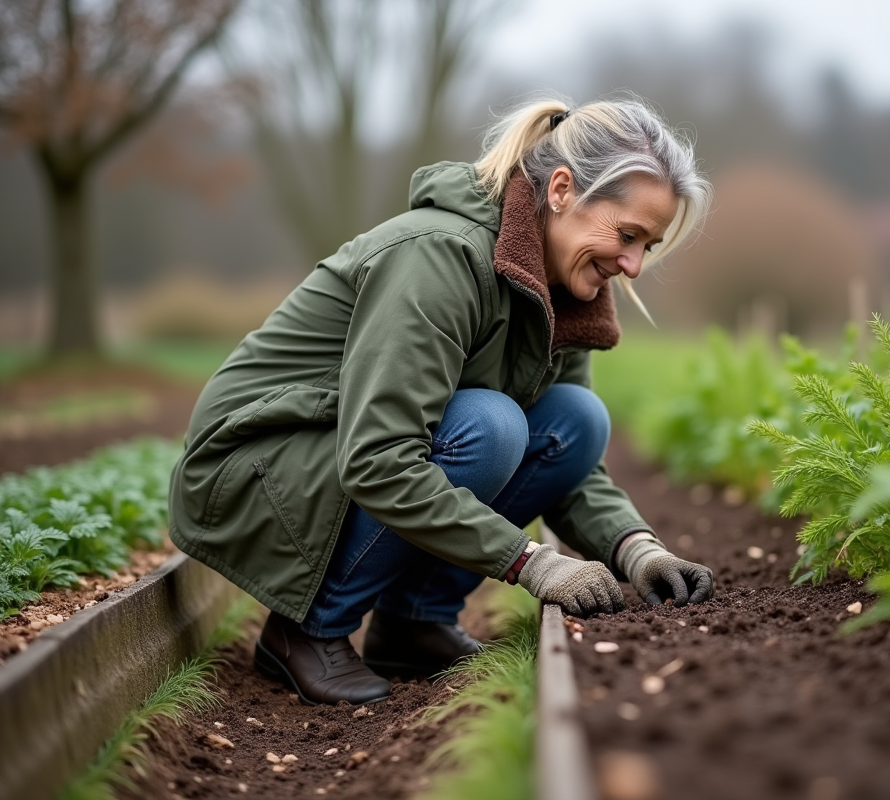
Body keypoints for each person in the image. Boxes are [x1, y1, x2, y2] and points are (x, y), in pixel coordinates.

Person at [167, 96, 715, 706]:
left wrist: (634, 548)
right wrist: (530, 561)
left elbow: (567, 459)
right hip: (259, 464)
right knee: (492, 427)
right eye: (629, 235)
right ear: (561, 190)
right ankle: (307, 628)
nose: (635, 265)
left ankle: (414, 622)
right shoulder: (441, 256)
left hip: (337, 456)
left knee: (576, 419)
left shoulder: (565, 288)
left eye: (650, 245)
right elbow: (379, 456)